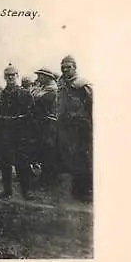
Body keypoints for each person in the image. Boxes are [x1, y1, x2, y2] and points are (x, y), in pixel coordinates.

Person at [0, 64, 34, 200]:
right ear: (5, 78)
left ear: (17, 76)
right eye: (8, 76)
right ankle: (7, 190)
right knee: (5, 162)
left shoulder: (25, 93)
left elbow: (31, 114)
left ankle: (26, 191)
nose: (10, 78)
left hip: (20, 133)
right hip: (5, 132)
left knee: (22, 163)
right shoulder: (1, 94)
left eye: (13, 75)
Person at [56, 55, 93, 202]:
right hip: (67, 128)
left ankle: (86, 191)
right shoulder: (62, 85)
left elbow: (93, 106)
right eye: (63, 67)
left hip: (81, 127)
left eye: (68, 67)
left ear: (75, 67)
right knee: (71, 158)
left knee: (83, 158)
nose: (65, 70)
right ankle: (77, 189)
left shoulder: (83, 84)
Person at [31, 67, 59, 187]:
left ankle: (47, 179)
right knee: (43, 150)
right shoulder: (42, 88)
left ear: (47, 77)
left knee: (48, 150)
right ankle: (45, 177)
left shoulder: (52, 91)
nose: (37, 78)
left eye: (40, 76)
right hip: (41, 124)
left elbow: (39, 103)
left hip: (49, 124)